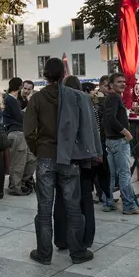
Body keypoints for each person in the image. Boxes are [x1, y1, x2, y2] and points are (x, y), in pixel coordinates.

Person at [24, 58, 95, 265]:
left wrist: (39, 150)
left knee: (44, 210)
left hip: (45, 157)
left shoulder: (37, 98)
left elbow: (28, 132)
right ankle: (77, 252)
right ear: (64, 74)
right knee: (73, 208)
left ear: (44, 75)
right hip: (69, 157)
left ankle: (44, 254)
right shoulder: (75, 97)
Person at [54, 76, 99, 250]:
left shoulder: (61, 101)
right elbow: (94, 130)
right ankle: (86, 238)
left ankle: (62, 239)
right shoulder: (87, 102)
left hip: (66, 157)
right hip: (86, 157)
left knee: (62, 198)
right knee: (85, 196)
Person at [104, 72, 139, 215]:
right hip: (119, 141)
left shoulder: (110, 98)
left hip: (111, 141)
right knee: (124, 174)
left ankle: (109, 203)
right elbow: (110, 118)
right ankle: (129, 206)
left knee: (112, 175)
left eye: (123, 82)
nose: (122, 84)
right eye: (119, 82)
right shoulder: (114, 97)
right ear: (111, 84)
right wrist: (125, 131)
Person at [5, 78, 35, 196]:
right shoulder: (12, 99)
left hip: (25, 134)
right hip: (17, 132)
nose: (26, 91)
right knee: (18, 163)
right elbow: (20, 117)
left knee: (31, 160)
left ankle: (21, 182)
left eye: (28, 89)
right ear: (20, 87)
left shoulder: (20, 100)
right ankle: (15, 187)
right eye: (24, 88)